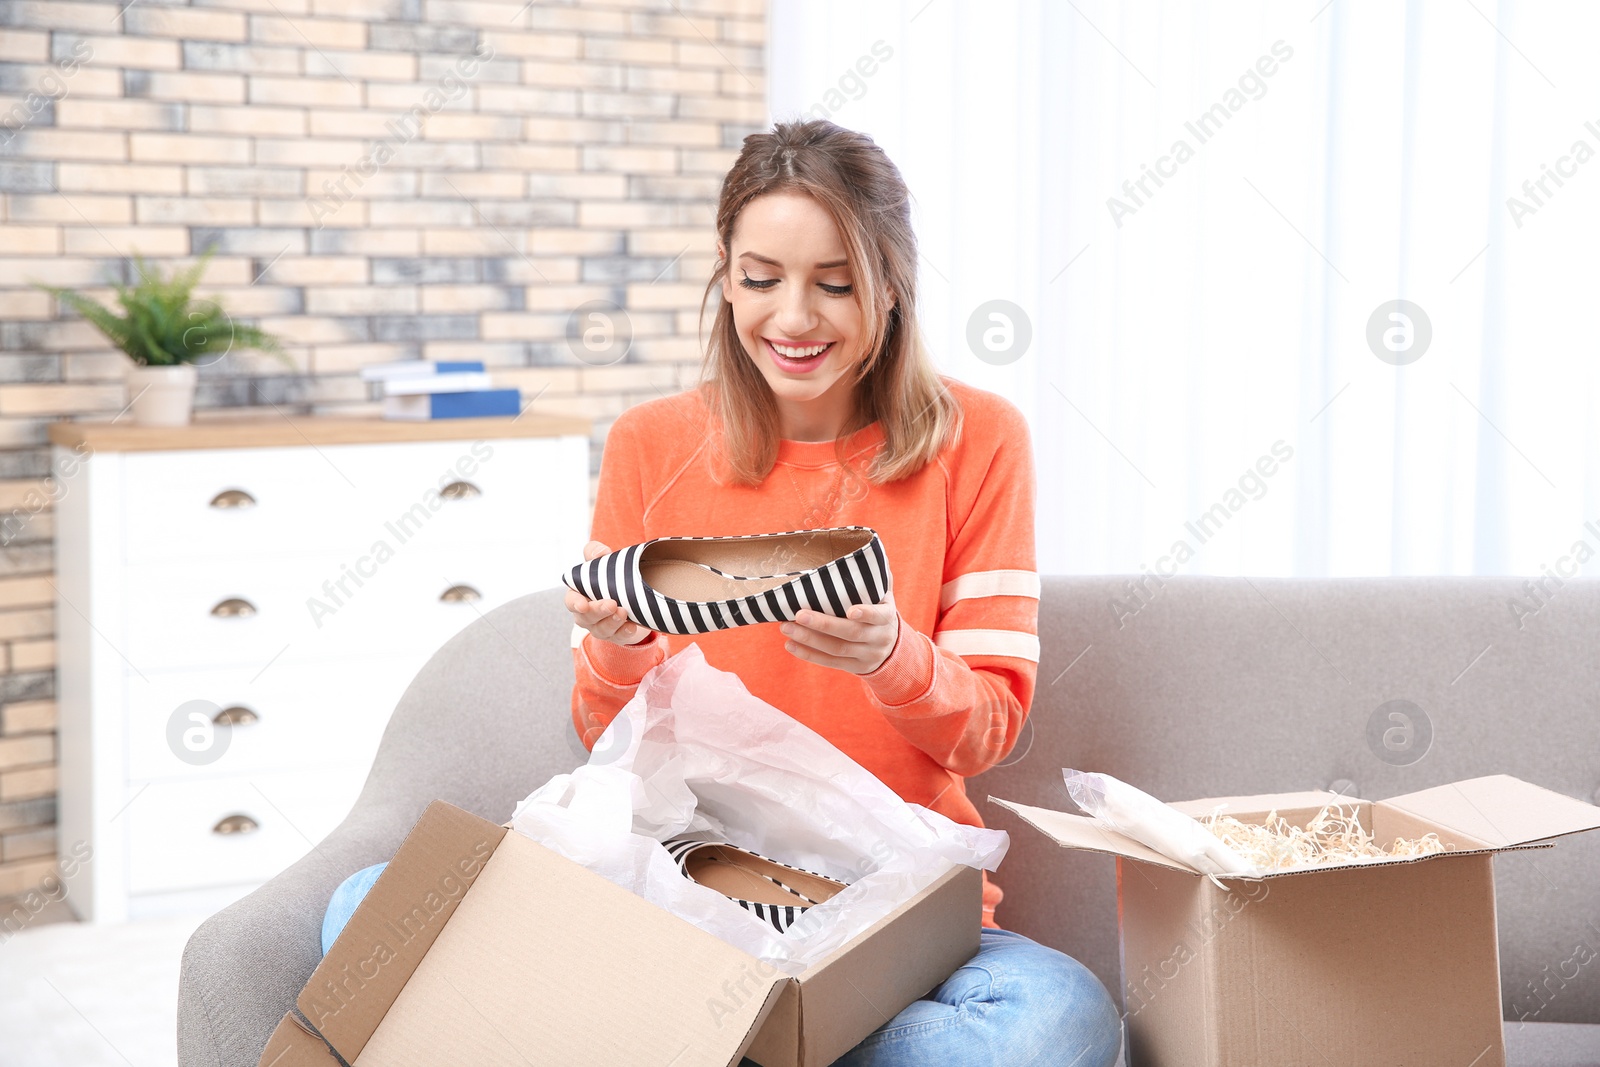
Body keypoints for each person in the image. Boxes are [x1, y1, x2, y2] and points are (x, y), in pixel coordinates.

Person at [322, 120, 1121, 1067]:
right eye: (761, 278)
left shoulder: (978, 439)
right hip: (675, 889)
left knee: (1055, 1016)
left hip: (879, 905)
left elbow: (986, 729)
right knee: (365, 902)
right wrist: (620, 642)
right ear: (725, 271)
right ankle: (750, 1033)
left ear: (895, 282)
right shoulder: (651, 444)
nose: (794, 319)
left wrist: (893, 657)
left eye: (836, 282)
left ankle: (691, 1034)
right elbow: (602, 730)